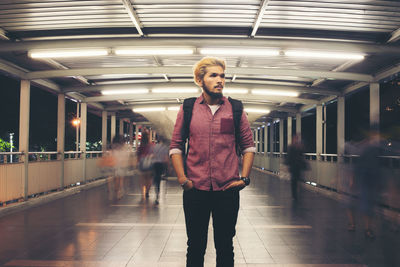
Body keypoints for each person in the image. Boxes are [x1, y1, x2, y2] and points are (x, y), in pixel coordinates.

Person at [169, 57, 255, 267]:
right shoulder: (188, 108)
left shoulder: (235, 108)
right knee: (195, 246)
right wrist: (183, 179)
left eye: (222, 76)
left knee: (225, 245)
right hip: (195, 189)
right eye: (213, 75)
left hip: (227, 189)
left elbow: (248, 146)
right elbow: (176, 146)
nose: (220, 80)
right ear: (200, 80)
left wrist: (243, 179)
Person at [285, 134, 307, 200]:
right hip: (293, 167)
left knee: (298, 180)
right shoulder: (291, 147)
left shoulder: (298, 146)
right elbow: (289, 157)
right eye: (295, 138)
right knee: (294, 181)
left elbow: (302, 155)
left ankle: (297, 194)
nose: (296, 140)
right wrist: (288, 165)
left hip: (298, 167)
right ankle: (294, 195)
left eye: (297, 138)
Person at [137, 130, 154, 200]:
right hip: (149, 163)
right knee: (149, 179)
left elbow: (138, 155)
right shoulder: (152, 145)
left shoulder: (140, 145)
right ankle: (147, 191)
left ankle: (142, 192)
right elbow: (154, 154)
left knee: (142, 179)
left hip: (142, 163)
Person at [152, 136, 169, 204]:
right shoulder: (164, 147)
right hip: (161, 164)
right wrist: (168, 166)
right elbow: (166, 158)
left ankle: (155, 186)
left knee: (155, 177)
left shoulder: (154, 147)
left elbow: (152, 155)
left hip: (154, 164)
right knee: (158, 177)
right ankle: (157, 193)